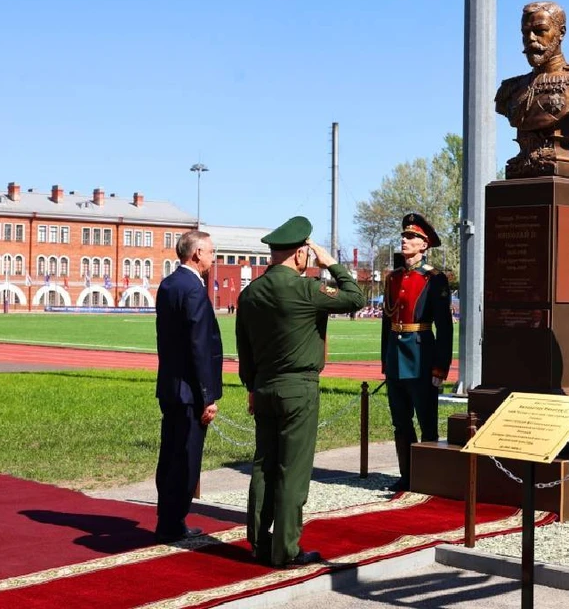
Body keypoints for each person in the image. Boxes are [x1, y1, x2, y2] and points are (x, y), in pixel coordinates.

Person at [237, 216, 365, 568]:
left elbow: (244, 349)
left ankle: (259, 543)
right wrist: (332, 264)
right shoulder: (307, 289)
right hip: (298, 388)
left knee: (263, 466)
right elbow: (356, 298)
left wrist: (251, 387)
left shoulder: (250, 294)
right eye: (307, 252)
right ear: (298, 255)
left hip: (263, 387)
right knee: (292, 470)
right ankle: (286, 550)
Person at [154, 230, 223, 543]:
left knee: (169, 455)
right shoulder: (194, 289)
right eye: (210, 252)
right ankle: (172, 523)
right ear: (196, 253)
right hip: (189, 392)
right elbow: (199, 346)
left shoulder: (168, 284)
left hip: (170, 385)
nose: (213, 257)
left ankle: (166, 518)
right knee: (186, 458)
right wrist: (207, 396)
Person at [494, 1, 569, 179]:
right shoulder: (511, 89)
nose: (531, 39)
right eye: (526, 32)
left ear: (561, 32)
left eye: (540, 31)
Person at [381, 213, 453, 492]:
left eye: (411, 237)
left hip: (421, 355)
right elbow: (387, 323)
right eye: (404, 236)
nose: (405, 240)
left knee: (427, 422)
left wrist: (440, 368)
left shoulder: (434, 279)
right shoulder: (393, 278)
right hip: (396, 359)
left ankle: (429, 476)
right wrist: (385, 360)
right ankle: (407, 475)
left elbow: (444, 328)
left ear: (424, 245)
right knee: (400, 423)